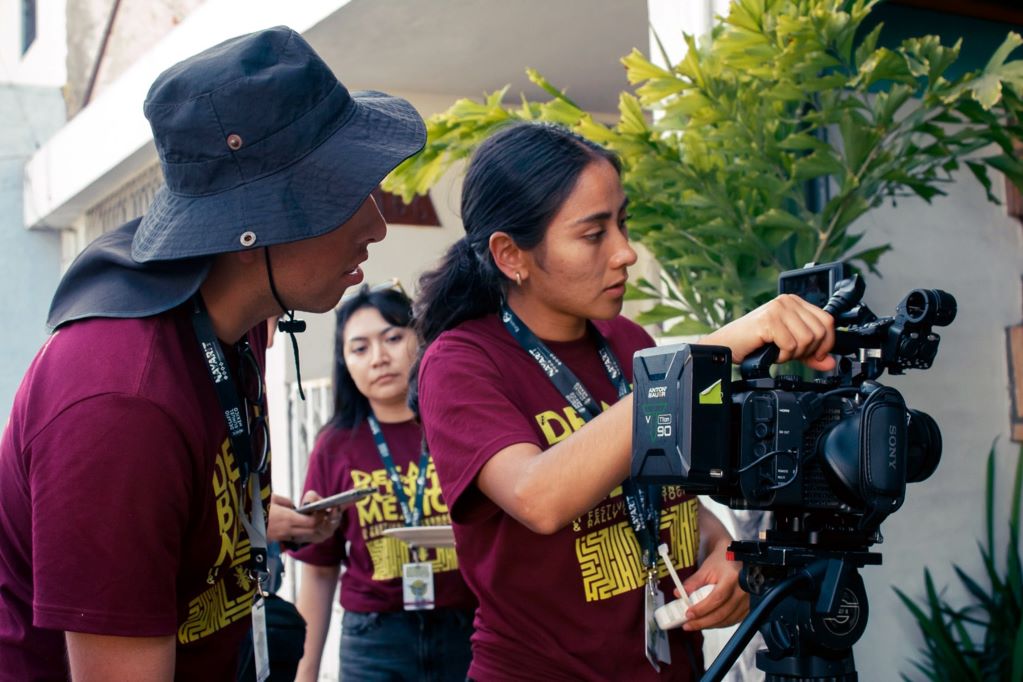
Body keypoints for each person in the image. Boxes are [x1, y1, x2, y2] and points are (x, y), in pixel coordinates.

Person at [0, 26, 425, 681]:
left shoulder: (233, 321)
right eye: (343, 193)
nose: (375, 224)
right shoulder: (121, 403)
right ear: (250, 225)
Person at [413, 122, 836, 681]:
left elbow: (673, 499)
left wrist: (726, 551)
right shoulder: (462, 361)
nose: (626, 252)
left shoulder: (628, 343)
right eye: (594, 235)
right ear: (511, 254)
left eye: (622, 223)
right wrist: (708, 351)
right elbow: (537, 495)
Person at [291, 284, 476, 682]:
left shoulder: (461, 424)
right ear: (345, 363)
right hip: (374, 641)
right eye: (360, 348)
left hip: (468, 631)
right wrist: (305, 675)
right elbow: (320, 570)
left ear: (420, 339)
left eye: (393, 338)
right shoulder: (334, 445)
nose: (380, 358)